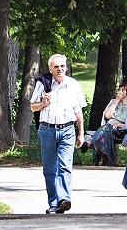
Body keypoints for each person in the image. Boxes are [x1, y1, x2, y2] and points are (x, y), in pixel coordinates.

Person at [29, 53, 85, 214]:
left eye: (62, 66)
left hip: (67, 129)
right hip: (47, 130)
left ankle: (64, 199)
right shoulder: (43, 84)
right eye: (56, 67)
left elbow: (78, 112)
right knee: (49, 169)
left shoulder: (73, 85)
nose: (60, 69)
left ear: (66, 67)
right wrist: (43, 103)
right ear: (50, 69)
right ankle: (54, 203)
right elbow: (33, 107)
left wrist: (81, 133)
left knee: (65, 166)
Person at [84, 82, 127, 167]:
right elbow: (107, 116)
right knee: (107, 128)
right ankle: (107, 160)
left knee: (106, 128)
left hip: (121, 130)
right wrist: (116, 101)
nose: (119, 92)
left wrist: (120, 125)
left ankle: (91, 143)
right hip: (108, 128)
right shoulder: (113, 102)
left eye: (122, 90)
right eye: (119, 89)